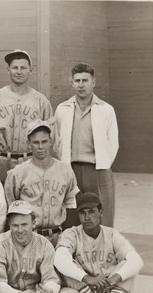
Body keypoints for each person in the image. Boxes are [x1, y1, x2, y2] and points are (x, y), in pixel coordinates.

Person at [54, 192, 143, 293]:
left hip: (107, 291)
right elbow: (59, 259)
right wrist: (86, 278)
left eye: (91, 212)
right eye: (82, 213)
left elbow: (136, 260)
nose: (87, 217)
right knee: (67, 265)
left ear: (101, 212)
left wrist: (115, 278)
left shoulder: (111, 234)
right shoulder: (72, 234)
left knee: (126, 266)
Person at [54, 63, 118, 227]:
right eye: (77, 80)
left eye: (85, 80)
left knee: (102, 215)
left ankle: (103, 249)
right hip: (71, 169)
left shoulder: (106, 110)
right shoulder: (63, 109)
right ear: (72, 83)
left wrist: (102, 164)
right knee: (72, 214)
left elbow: (113, 144)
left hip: (97, 170)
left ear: (93, 82)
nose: (81, 85)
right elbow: (57, 141)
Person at [0, 49, 53, 183]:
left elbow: (51, 132)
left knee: (30, 200)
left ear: (30, 70)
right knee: (0, 201)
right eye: (15, 68)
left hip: (30, 160)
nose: (19, 71)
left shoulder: (40, 100)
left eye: (23, 68)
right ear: (8, 69)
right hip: (1, 162)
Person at [4, 119, 79, 246]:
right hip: (29, 238)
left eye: (44, 141)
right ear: (29, 144)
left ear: (50, 142)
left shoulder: (65, 170)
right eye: (35, 142)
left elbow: (71, 203)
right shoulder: (17, 174)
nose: (40, 147)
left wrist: (69, 236)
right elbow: (11, 209)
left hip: (58, 236)